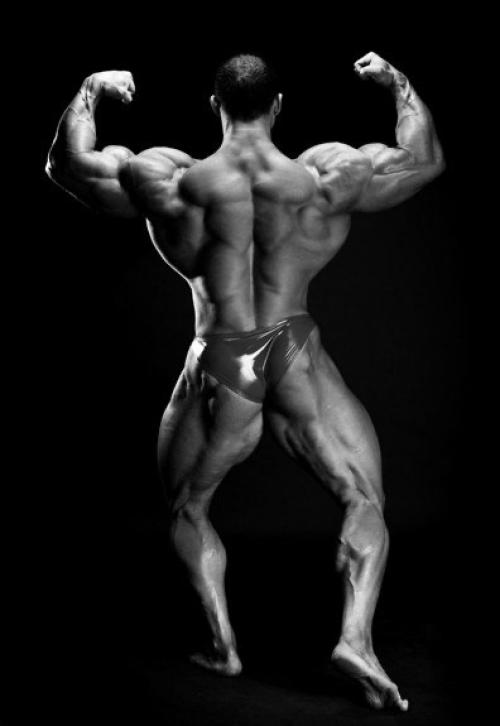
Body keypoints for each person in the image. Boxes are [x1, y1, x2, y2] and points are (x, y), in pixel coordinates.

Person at [46, 51, 445, 711]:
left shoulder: (171, 179)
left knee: (188, 507)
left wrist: (90, 92)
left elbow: (67, 166)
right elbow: (423, 159)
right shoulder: (324, 175)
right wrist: (397, 82)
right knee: (363, 498)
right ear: (278, 106)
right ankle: (355, 639)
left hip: (223, 353)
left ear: (215, 106)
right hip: (291, 343)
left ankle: (224, 644)